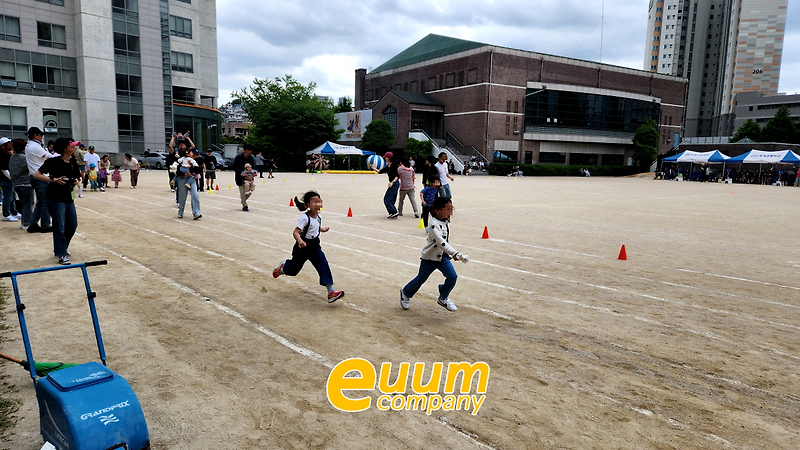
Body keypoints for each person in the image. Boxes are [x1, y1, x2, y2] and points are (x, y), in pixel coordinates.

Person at [272, 191, 344, 303]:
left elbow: (315, 226)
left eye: (319, 201)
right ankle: (282, 268)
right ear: (306, 205)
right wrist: (300, 241)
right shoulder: (304, 218)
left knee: (323, 265)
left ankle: (331, 292)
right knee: (293, 270)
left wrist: (322, 229)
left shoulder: (319, 217)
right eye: (315, 202)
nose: (318, 204)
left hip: (315, 246)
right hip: (302, 247)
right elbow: (296, 232)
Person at [400, 196, 468, 312]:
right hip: (429, 258)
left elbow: (445, 242)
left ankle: (443, 297)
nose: (451, 212)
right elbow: (441, 242)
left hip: (442, 258)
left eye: (451, 209)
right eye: (448, 209)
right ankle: (405, 293)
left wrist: (452, 255)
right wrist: (455, 253)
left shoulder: (446, 222)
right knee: (420, 279)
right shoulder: (433, 224)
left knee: (452, 276)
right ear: (438, 210)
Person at [32, 138, 81, 265]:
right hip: (55, 198)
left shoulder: (73, 162)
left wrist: (75, 181)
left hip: (69, 198)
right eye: (72, 145)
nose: (75, 148)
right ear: (65, 148)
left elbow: (77, 178)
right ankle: (61, 254)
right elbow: (36, 174)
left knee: (72, 225)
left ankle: (63, 247)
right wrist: (53, 180)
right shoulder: (53, 161)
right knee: (59, 226)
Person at [25, 126, 56, 233]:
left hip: (35, 177)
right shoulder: (35, 146)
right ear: (35, 135)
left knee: (40, 203)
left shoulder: (30, 145)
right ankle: (45, 226)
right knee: (45, 203)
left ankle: (33, 224)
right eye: (40, 135)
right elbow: (49, 157)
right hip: (41, 178)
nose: (42, 137)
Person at [10, 139, 33, 230]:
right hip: (26, 183)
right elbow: (27, 168)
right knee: (28, 204)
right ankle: (26, 223)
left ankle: (24, 221)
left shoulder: (12, 157)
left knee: (24, 204)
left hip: (16, 184)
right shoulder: (25, 157)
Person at [370, 151, 399, 218]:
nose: (385, 158)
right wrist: (373, 168)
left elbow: (397, 176)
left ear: (389, 158)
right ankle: (392, 212)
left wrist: (392, 182)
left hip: (394, 183)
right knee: (391, 199)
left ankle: (394, 211)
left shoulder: (394, 165)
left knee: (387, 198)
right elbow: (380, 171)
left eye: (386, 157)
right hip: (392, 183)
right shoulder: (388, 166)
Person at [175, 149, 202, 220]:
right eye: (191, 153)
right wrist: (184, 173)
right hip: (182, 179)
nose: (193, 155)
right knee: (182, 197)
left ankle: (196, 213)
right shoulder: (182, 159)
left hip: (192, 180)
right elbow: (176, 170)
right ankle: (180, 212)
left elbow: (199, 170)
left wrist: (191, 166)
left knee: (195, 195)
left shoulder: (195, 160)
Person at [0, 137, 21, 222]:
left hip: (8, 179)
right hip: (5, 179)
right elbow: (4, 169)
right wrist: (12, 178)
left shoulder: (6, 154)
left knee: (12, 196)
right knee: (8, 197)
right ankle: (6, 214)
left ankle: (14, 212)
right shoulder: (2, 155)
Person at [233, 144, 257, 211]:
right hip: (241, 178)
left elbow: (254, 167)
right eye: (248, 150)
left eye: (250, 150)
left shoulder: (251, 158)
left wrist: (254, 172)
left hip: (250, 178)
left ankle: (243, 200)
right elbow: (234, 167)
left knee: (251, 190)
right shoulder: (238, 157)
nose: (249, 152)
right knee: (243, 191)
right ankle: (245, 205)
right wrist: (242, 173)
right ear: (244, 150)